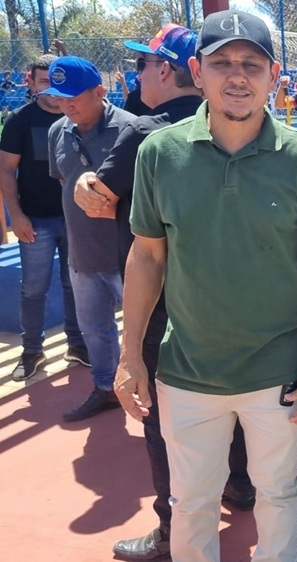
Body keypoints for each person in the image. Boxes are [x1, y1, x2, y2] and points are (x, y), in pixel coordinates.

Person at [115, 9, 297, 562]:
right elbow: (146, 255)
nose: (237, 76)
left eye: (252, 64)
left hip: (279, 374)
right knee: (191, 502)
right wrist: (130, 355)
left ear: (273, 77)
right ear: (197, 72)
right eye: (222, 63)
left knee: (279, 496)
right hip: (188, 373)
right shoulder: (159, 154)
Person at [73, 23, 254, 561]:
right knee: (236, 396)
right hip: (231, 295)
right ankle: (240, 484)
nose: (138, 75)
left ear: (172, 70)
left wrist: (85, 182)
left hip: (162, 301)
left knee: (161, 417)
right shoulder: (238, 127)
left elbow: (98, 199)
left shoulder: (146, 134)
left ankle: (174, 530)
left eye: (144, 64)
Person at [45, 56, 135, 421]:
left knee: (146, 331)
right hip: (82, 255)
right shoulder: (57, 131)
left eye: (73, 97)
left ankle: (160, 397)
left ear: (99, 92)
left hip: (128, 256)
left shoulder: (131, 130)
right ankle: (105, 388)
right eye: (58, 97)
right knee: (95, 331)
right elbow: (64, 181)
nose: (65, 104)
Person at [0, 54, 89, 381]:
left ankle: (77, 345)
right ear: (32, 83)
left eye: (57, 82)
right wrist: (17, 216)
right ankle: (32, 351)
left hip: (77, 219)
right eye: (44, 82)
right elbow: (5, 171)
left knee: (75, 285)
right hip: (36, 221)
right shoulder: (20, 120)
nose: (52, 90)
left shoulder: (79, 117)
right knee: (33, 289)